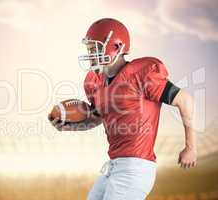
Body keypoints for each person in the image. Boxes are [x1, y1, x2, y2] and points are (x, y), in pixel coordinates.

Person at [48, 18, 197, 200]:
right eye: (90, 49)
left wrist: (191, 147)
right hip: (113, 166)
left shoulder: (142, 73)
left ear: (117, 47)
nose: (91, 54)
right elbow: (97, 119)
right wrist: (70, 127)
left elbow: (185, 100)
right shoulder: (95, 82)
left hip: (135, 168)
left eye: (96, 48)